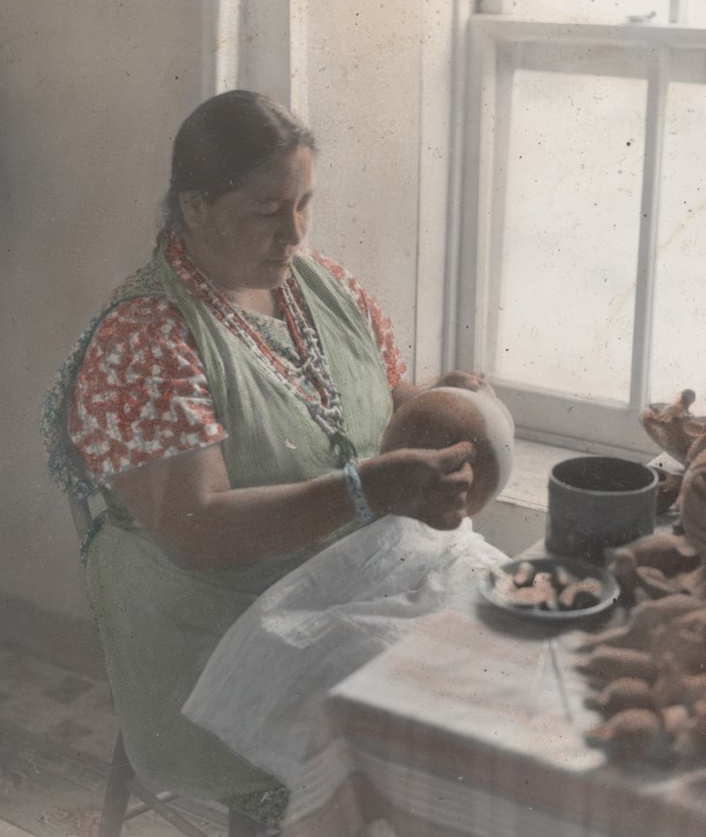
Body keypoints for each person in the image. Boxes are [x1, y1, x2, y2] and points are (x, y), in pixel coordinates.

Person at [41, 90, 486, 827]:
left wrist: (448, 404)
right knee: (425, 728)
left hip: (351, 586)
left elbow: (388, 402)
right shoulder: (145, 339)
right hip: (228, 633)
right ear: (195, 208)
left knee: (500, 665)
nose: (294, 234)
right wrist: (365, 494)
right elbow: (197, 529)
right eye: (267, 211)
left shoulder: (325, 288)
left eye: (305, 204)